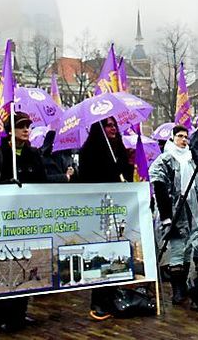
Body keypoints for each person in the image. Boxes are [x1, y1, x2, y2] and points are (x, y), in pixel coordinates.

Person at [0, 112, 47, 331]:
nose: (26, 129)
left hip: (27, 221)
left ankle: (20, 313)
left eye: (28, 126)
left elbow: (43, 182)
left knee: (25, 266)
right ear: (10, 130)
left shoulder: (34, 154)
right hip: (4, 223)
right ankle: (1, 315)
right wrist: (4, 185)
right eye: (21, 126)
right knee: (4, 268)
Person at [79, 117, 133, 320]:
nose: (113, 129)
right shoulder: (89, 151)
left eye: (115, 125)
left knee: (116, 253)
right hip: (97, 210)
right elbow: (87, 180)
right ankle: (98, 300)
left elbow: (124, 178)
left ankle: (112, 296)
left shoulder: (118, 148)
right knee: (100, 254)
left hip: (116, 209)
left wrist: (127, 162)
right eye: (109, 125)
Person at [150, 126, 198, 305]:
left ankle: (186, 284)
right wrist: (167, 216)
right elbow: (159, 185)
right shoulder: (165, 160)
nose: (184, 140)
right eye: (180, 136)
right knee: (177, 248)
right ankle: (178, 289)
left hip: (194, 211)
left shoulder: (193, 159)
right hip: (175, 211)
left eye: (186, 137)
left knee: (191, 247)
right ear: (172, 138)